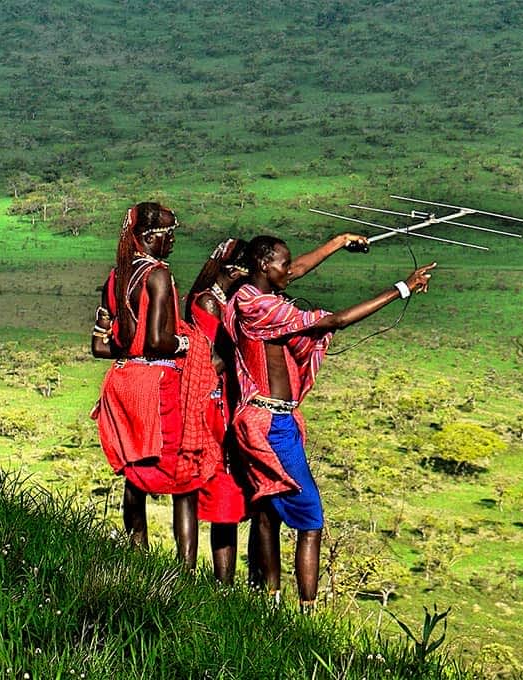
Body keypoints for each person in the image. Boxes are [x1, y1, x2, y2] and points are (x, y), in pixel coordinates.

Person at [224, 232, 436, 610]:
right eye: (283, 265)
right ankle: (307, 611)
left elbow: (299, 269)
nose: (291, 271)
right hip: (271, 424)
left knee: (270, 512)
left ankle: (269, 604)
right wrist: (403, 288)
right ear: (262, 265)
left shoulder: (250, 294)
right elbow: (335, 320)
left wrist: (339, 242)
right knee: (310, 520)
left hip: (264, 418)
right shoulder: (260, 307)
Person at [91, 202, 210, 569]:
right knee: (184, 480)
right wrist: (189, 343)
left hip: (123, 381)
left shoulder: (117, 277)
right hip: (156, 383)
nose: (173, 244)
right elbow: (160, 341)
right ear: (151, 238)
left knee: (135, 472)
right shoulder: (158, 276)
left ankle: (137, 557)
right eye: (169, 236)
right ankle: (185, 576)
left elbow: (99, 345)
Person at [183, 238, 250, 585]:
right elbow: (209, 362)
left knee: (227, 493)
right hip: (213, 404)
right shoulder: (208, 303)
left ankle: (222, 581)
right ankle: (216, 582)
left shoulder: (218, 300)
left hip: (222, 399)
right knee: (220, 490)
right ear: (234, 269)